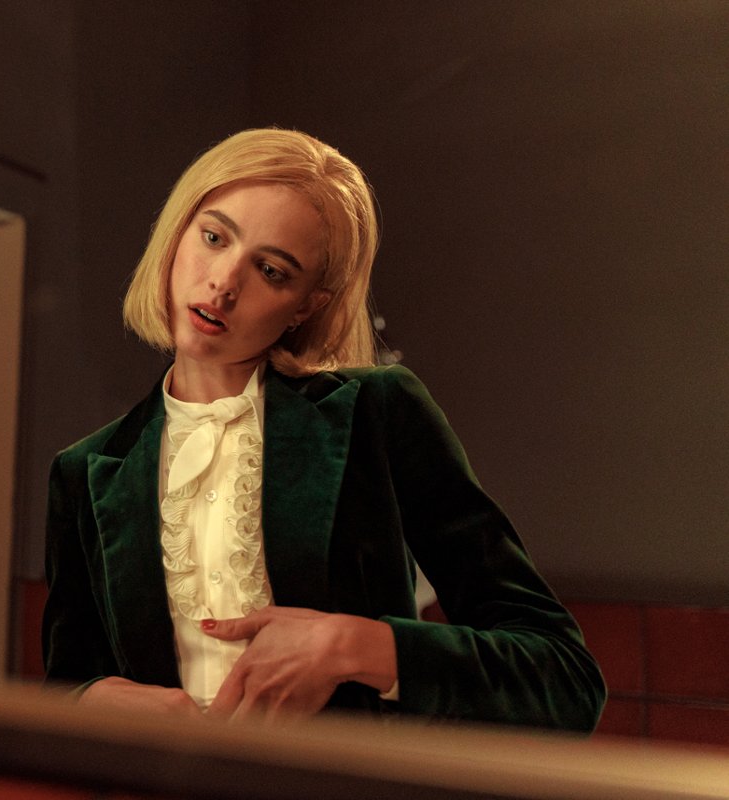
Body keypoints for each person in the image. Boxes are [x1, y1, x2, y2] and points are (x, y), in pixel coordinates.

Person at [42, 128, 605, 730]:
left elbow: (564, 679)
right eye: (214, 237)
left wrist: (353, 647)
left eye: (271, 270)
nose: (224, 283)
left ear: (306, 305)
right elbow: (66, 687)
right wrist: (89, 703)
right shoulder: (84, 472)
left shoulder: (378, 412)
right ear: (177, 233)